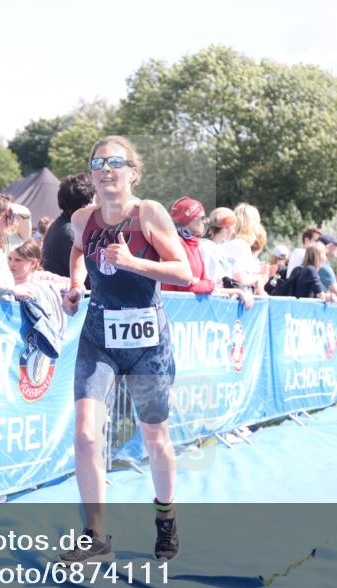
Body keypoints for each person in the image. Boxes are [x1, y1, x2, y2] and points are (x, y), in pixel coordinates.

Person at [59, 135, 192, 563]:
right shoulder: (82, 217)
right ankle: (96, 536)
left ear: (132, 172)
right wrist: (76, 284)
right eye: (98, 163)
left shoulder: (148, 213)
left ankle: (166, 516)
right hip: (99, 333)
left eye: (115, 162)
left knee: (155, 436)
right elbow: (78, 252)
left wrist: (134, 262)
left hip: (147, 339)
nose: (106, 169)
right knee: (85, 433)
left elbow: (183, 272)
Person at [43, 173, 96, 279]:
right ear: (86, 205)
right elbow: (90, 279)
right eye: (95, 200)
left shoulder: (62, 225)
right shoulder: (71, 234)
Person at [163, 197, 216, 296]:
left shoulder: (194, 244)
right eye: (202, 217)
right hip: (174, 304)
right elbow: (187, 287)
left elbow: (205, 279)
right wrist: (210, 285)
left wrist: (207, 284)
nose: (205, 221)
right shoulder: (176, 243)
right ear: (187, 221)